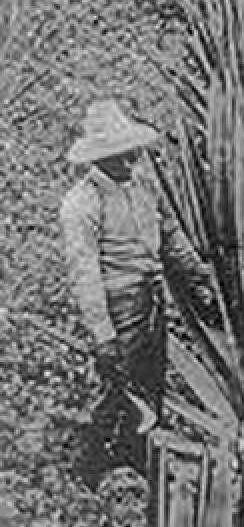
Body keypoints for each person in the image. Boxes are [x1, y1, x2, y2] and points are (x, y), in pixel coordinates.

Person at [58, 99, 217, 481]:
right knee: (117, 387)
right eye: (119, 155)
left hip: (151, 295)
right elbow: (85, 274)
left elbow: (171, 237)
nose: (129, 161)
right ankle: (88, 469)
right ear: (98, 158)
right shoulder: (81, 204)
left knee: (151, 382)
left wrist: (200, 277)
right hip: (117, 303)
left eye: (131, 153)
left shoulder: (145, 185)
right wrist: (102, 335)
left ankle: (139, 458)